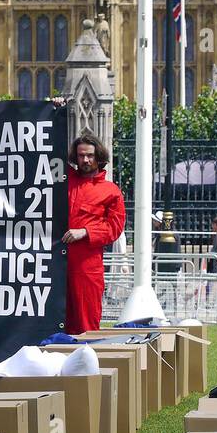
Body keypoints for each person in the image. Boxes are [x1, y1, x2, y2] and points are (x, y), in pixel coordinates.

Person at [63, 135, 126, 334]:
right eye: (81, 156)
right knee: (54, 321)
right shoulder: (64, 180)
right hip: (56, 264)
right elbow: (44, 153)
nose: (86, 160)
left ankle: (89, 363)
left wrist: (86, 232)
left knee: (86, 324)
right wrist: (54, 112)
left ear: (99, 156)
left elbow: (115, 228)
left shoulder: (111, 191)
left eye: (90, 155)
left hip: (87, 266)